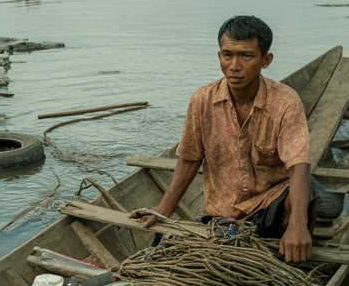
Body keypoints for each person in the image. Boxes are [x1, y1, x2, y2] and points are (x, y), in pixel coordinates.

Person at [130, 14, 314, 263]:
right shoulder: (203, 100)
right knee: (167, 255)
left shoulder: (285, 102)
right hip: (223, 211)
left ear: (265, 60)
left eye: (246, 56)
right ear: (219, 57)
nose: (235, 66)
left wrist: (298, 225)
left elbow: (299, 165)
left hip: (269, 203)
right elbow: (189, 158)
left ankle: (292, 253)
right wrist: (164, 209)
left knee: (304, 200)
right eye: (227, 55)